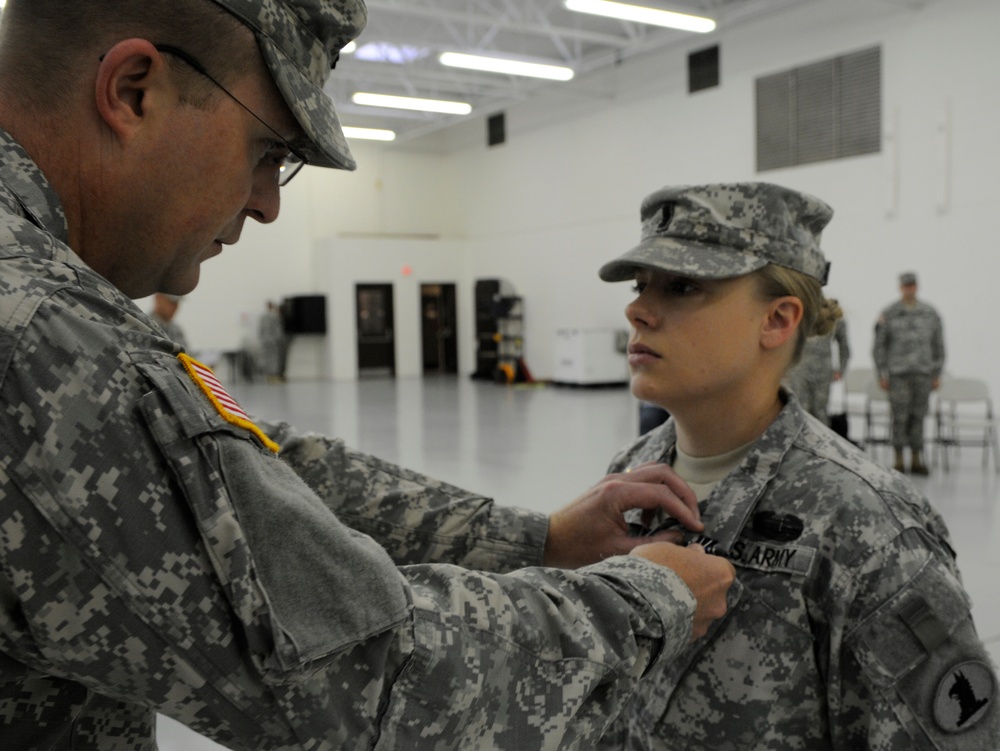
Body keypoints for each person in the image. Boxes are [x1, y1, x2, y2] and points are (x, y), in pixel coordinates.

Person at [0, 2, 736, 749]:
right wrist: (650, 597)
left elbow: (237, 471)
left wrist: (533, 537)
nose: (268, 203)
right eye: (266, 149)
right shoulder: (38, 331)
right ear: (133, 91)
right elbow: (376, 680)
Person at [594, 183, 997, 749]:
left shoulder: (868, 527)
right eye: (641, 286)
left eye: (683, 286)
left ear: (778, 321)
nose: (637, 309)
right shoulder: (629, 475)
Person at [874, 272, 945, 475]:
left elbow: (938, 345)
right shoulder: (889, 313)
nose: (909, 289)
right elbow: (879, 346)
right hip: (898, 374)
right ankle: (898, 459)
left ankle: (916, 458)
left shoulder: (930, 313)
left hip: (923, 373)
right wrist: (881, 373)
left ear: (917, 286)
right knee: (899, 416)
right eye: (906, 286)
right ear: (900, 288)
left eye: (912, 285)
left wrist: (937, 372)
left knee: (919, 415)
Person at [784, 300, 849, 425]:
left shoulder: (832, 315)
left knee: (820, 411)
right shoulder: (799, 313)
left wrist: (841, 368)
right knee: (799, 409)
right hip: (799, 369)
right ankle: (798, 443)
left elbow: (844, 346)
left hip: (823, 371)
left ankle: (820, 443)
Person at [258, 299, 289, 381]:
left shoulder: (263, 317)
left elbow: (260, 330)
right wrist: (281, 339)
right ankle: (274, 376)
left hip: (265, 341)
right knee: (275, 359)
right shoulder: (275, 316)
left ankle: (269, 376)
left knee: (268, 359)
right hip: (274, 341)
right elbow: (277, 330)